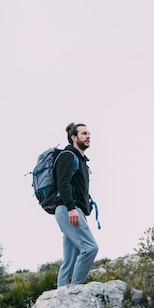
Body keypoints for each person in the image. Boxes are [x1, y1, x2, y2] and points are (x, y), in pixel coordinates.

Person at [54, 122, 99, 287]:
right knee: (90, 248)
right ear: (74, 137)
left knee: (70, 259)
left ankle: (61, 294)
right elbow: (63, 183)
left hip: (72, 209)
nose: (88, 136)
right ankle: (74, 290)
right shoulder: (68, 156)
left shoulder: (81, 160)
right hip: (68, 209)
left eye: (89, 134)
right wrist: (71, 207)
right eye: (84, 133)